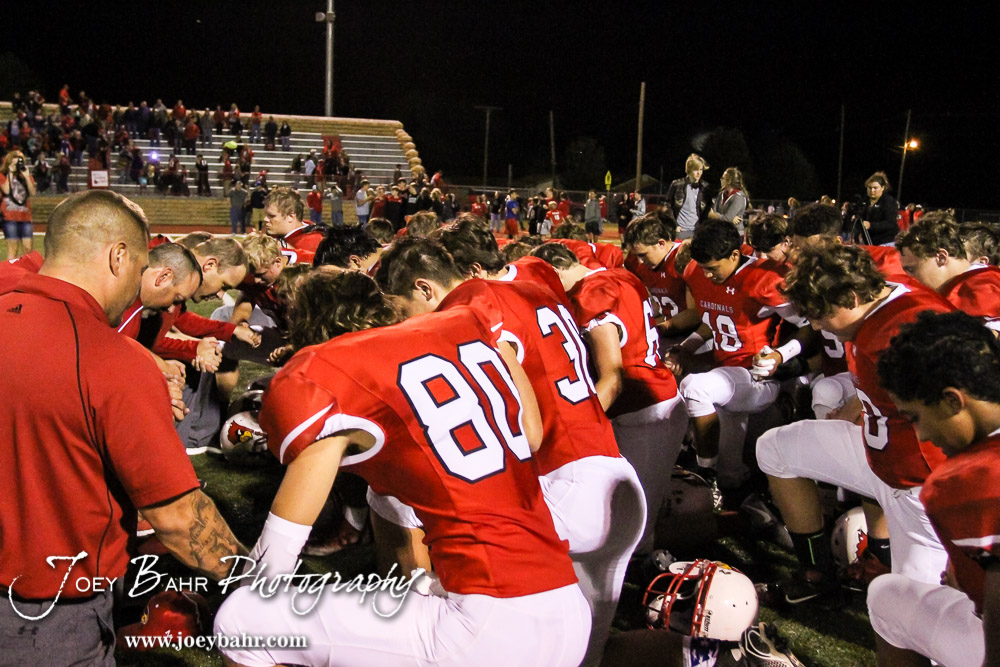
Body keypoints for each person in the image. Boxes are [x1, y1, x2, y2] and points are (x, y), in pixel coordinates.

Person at [213, 270, 590, 667]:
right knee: (409, 582)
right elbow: (532, 436)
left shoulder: (333, 372)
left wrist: (235, 590)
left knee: (242, 621)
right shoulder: (454, 335)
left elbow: (272, 564)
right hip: (565, 603)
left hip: (489, 624)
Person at [0, 191, 245, 663]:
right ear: (118, 256)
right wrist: (258, 580)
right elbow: (178, 520)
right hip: (47, 611)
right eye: (137, 270)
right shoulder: (109, 360)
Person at [377, 238, 644, 666]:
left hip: (563, 485)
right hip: (617, 476)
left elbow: (526, 429)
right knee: (585, 653)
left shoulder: (469, 306)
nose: (404, 321)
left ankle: (415, 604)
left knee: (394, 495)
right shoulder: (533, 287)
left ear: (425, 289)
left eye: (403, 308)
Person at [755, 243, 954, 605]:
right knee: (775, 447)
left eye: (820, 313)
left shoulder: (908, 330)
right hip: (880, 455)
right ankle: (817, 576)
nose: (816, 325)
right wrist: (856, 405)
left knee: (911, 611)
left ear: (851, 295)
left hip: (919, 483)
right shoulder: (880, 299)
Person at [532, 242, 687, 555]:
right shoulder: (621, 276)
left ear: (556, 271)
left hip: (644, 411)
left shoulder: (591, 295)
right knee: (623, 514)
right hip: (651, 404)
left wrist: (575, 429)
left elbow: (613, 380)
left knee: (632, 526)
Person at [869, 311, 1000, 667]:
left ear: (953, 401)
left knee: (886, 595)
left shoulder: (966, 483)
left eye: (915, 417)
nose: (923, 434)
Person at [667, 219, 809, 504]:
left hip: (756, 377)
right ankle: (747, 495)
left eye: (713, 268)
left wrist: (782, 354)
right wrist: (685, 347)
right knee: (732, 476)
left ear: (734, 255)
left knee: (696, 387)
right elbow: (711, 321)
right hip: (727, 375)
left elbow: (809, 324)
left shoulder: (763, 278)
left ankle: (704, 474)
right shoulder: (697, 270)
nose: (706, 275)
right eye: (703, 268)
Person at [894, 211, 1000, 326]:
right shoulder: (970, 284)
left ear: (941, 257)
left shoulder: (985, 288)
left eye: (912, 270)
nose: (910, 278)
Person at [663, 153, 711, 239]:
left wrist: (703, 227)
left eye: (701, 169)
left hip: (697, 231)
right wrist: (674, 226)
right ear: (689, 170)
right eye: (695, 170)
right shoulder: (677, 184)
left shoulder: (705, 187)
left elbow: (708, 209)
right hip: (681, 230)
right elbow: (667, 206)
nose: (699, 173)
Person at [1, 150, 37, 259]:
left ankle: (26, 272)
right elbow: (6, 191)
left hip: (25, 216)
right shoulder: (2, 175)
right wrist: (10, 174)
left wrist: (26, 176)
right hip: (9, 216)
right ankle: (10, 274)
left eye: (20, 158)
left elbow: (32, 192)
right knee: (13, 249)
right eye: (15, 157)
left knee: (28, 248)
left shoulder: (25, 175)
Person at [856, 171, 899, 246]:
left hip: (885, 242)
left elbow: (890, 223)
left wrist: (871, 225)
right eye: (870, 188)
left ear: (882, 188)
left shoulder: (889, 202)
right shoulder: (864, 202)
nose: (872, 190)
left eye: (875, 188)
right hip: (869, 242)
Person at [708, 167, 750, 234]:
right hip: (722, 232)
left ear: (729, 180)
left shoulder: (738, 197)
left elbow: (726, 218)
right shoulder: (721, 194)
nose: (721, 180)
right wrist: (729, 219)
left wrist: (714, 215)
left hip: (735, 234)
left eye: (723, 178)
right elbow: (715, 210)